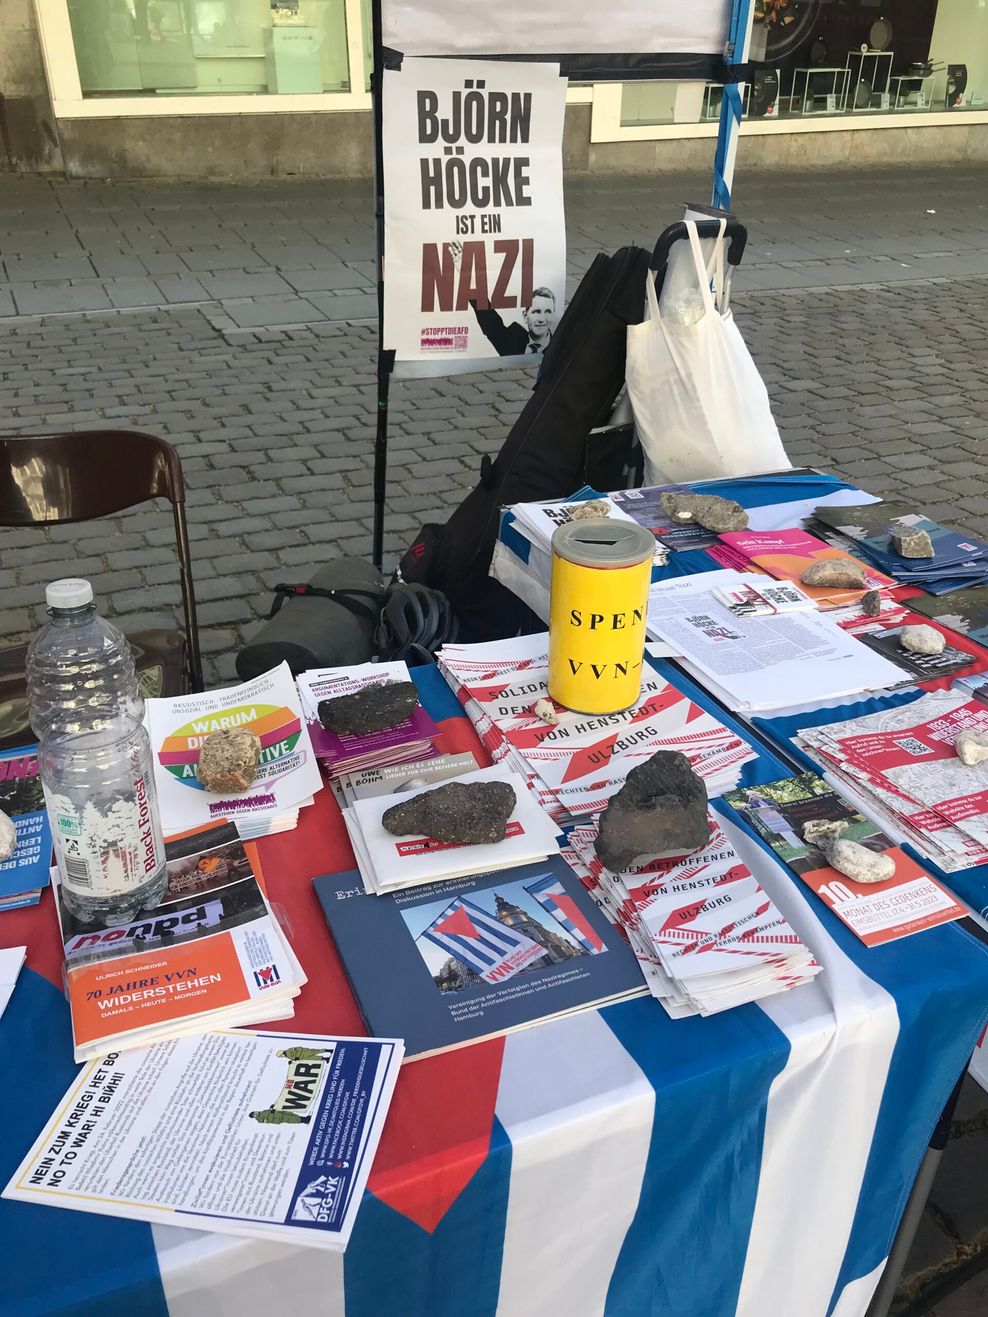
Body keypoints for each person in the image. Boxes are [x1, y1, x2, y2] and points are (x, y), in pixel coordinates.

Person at [449, 241, 556, 356]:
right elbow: (490, 322)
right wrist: (467, 276)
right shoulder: (514, 339)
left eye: (548, 312)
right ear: (525, 316)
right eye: (536, 312)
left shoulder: (561, 346)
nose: (542, 319)